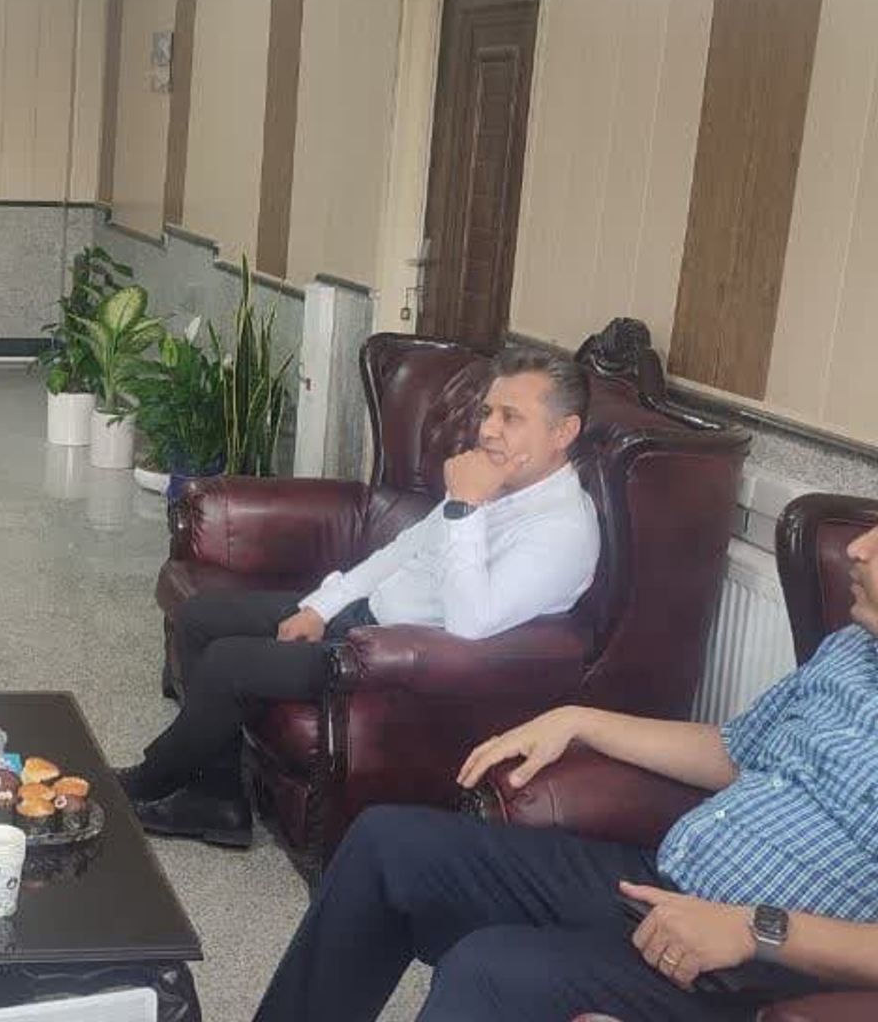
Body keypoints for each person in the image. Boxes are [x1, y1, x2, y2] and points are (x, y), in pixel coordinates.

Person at [250, 519, 878, 1021]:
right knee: (389, 846)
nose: (856, 548)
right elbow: (735, 752)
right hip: (663, 880)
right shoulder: (850, 649)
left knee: (490, 972)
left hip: (756, 961)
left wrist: (755, 929)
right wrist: (582, 720)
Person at [118, 345, 602, 847]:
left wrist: (465, 509)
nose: (488, 431)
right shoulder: (497, 484)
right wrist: (321, 606)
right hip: (361, 618)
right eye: (487, 412)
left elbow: (470, 623)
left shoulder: (561, 532)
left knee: (229, 662)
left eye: (511, 417)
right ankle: (217, 800)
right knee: (203, 616)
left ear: (563, 432)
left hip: (389, 661)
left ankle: (146, 782)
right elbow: (401, 550)